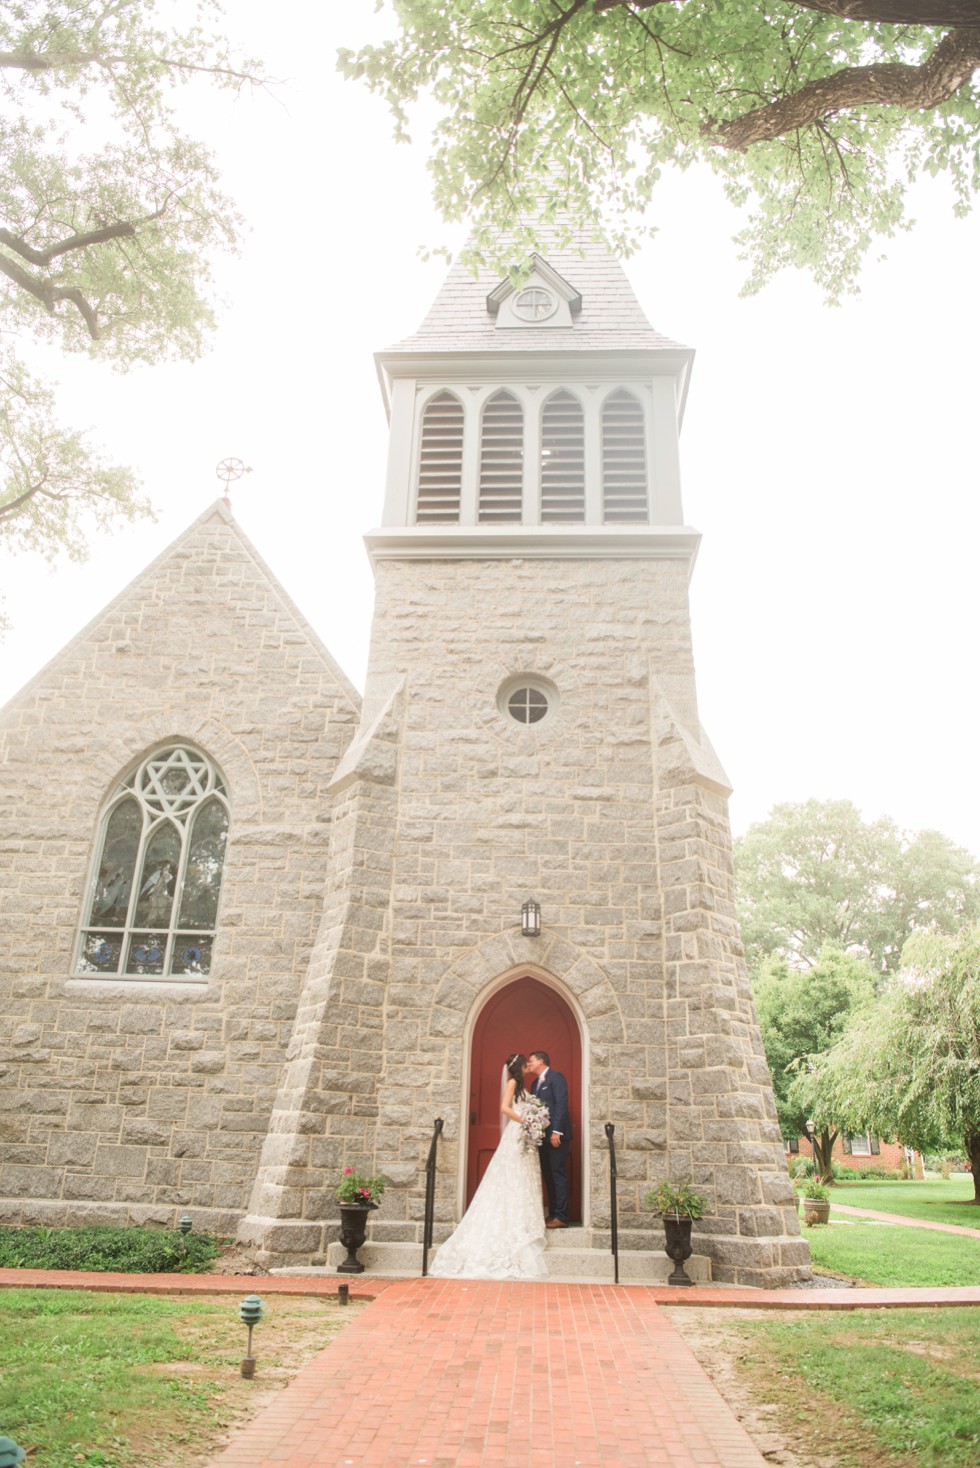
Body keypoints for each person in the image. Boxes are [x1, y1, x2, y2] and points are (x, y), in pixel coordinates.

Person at [429, 1052, 548, 1279]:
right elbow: (505, 1108)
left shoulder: (523, 1084)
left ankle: (524, 1218)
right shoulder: (513, 1083)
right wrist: (525, 1120)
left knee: (523, 1174)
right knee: (512, 1173)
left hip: (524, 1135)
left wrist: (535, 1118)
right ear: (520, 1066)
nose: (527, 1066)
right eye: (525, 1063)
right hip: (517, 1132)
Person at [527, 1050, 572, 1227]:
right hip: (542, 1137)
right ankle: (553, 1214)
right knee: (548, 1175)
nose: (529, 1065)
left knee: (557, 1173)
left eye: (531, 1061)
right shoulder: (534, 1084)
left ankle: (562, 1216)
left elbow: (561, 1103)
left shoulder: (556, 1078)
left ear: (541, 1061)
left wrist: (557, 1131)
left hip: (556, 1136)